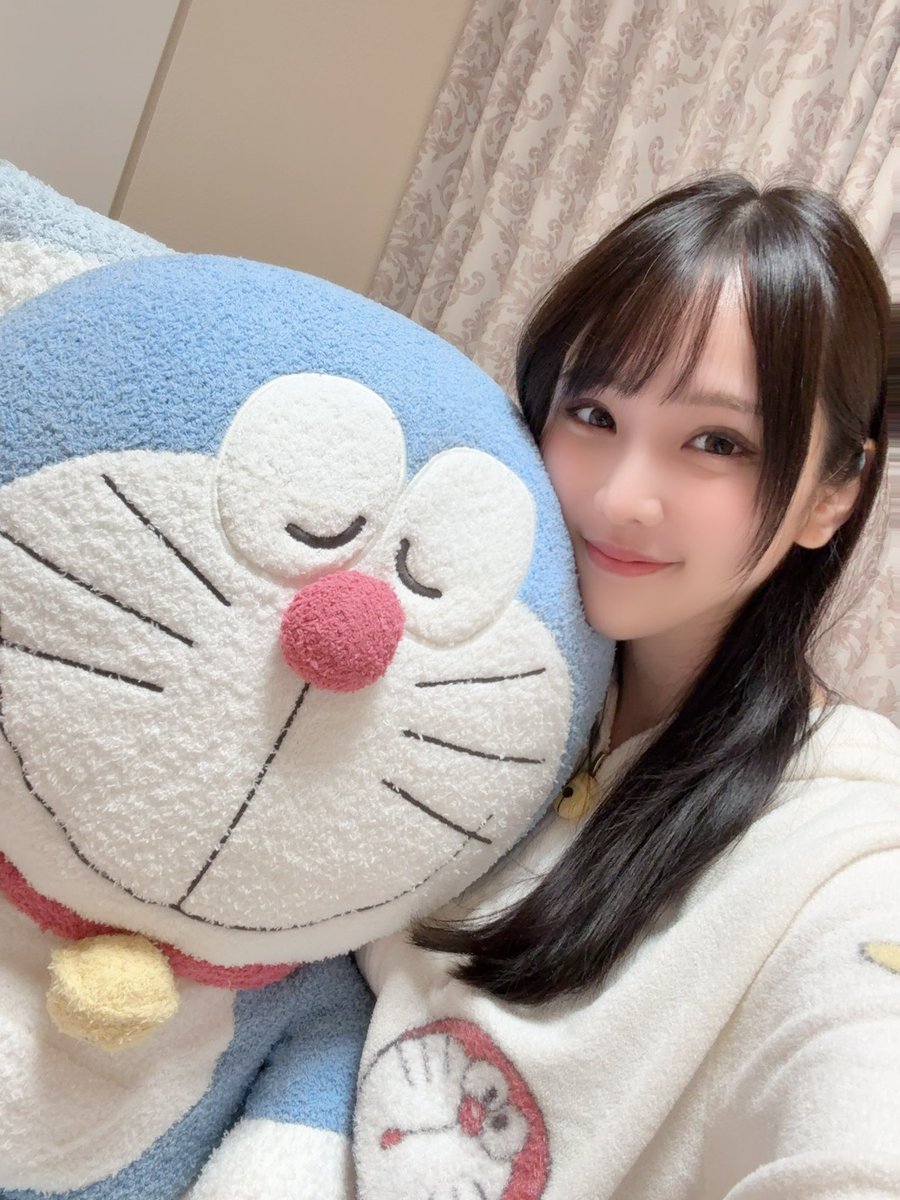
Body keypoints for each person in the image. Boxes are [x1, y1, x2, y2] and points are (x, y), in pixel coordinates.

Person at [354, 175, 900, 1199]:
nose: (618, 497)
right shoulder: (471, 669)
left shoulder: (846, 847)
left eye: (717, 443)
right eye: (594, 413)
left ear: (835, 493)